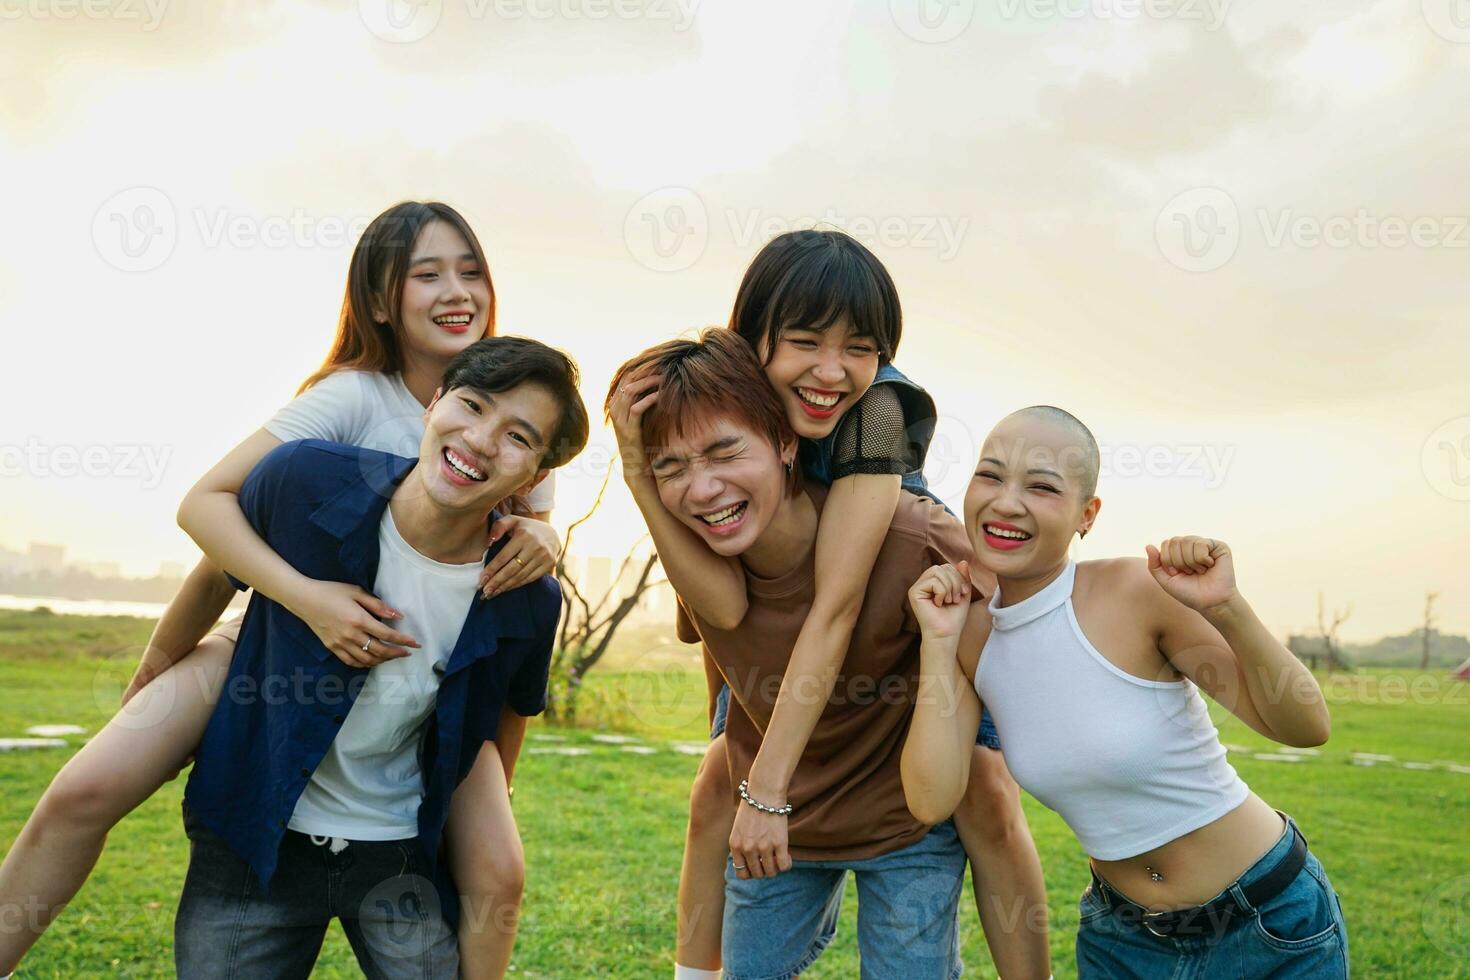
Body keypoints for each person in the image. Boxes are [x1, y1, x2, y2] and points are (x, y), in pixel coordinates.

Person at [0, 202, 560, 979]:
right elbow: (209, 521)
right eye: (426, 274)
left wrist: (549, 535)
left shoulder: (516, 416)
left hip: (418, 681)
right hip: (272, 639)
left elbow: (514, 574)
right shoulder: (351, 400)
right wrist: (208, 644)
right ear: (378, 301)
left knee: (498, 867)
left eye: (471, 271)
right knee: (82, 791)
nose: (456, 290)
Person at [608, 230, 1049, 979]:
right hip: (771, 587)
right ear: (753, 344)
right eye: (804, 341)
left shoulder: (876, 409)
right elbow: (725, 612)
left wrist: (771, 792)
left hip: (875, 584)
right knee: (720, 775)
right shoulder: (723, 415)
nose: (831, 370)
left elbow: (836, 608)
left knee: (984, 791)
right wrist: (633, 464)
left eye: (859, 346)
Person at [172, 335, 588, 978]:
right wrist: (160, 665)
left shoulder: (523, 596)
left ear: (534, 476)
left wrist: (476, 824)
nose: (480, 441)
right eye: (472, 406)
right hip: (256, 837)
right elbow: (212, 550)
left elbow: (509, 712)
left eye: (517, 437)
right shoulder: (305, 481)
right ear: (433, 404)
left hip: (399, 854)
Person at [903, 405, 1349, 978]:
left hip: (1264, 923)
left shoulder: (1137, 592)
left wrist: (1227, 609)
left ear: (1086, 514)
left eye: (1041, 486)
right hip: (1123, 942)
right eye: (990, 475)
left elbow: (1306, 728)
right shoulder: (966, 635)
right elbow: (931, 799)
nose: (1007, 502)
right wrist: (937, 644)